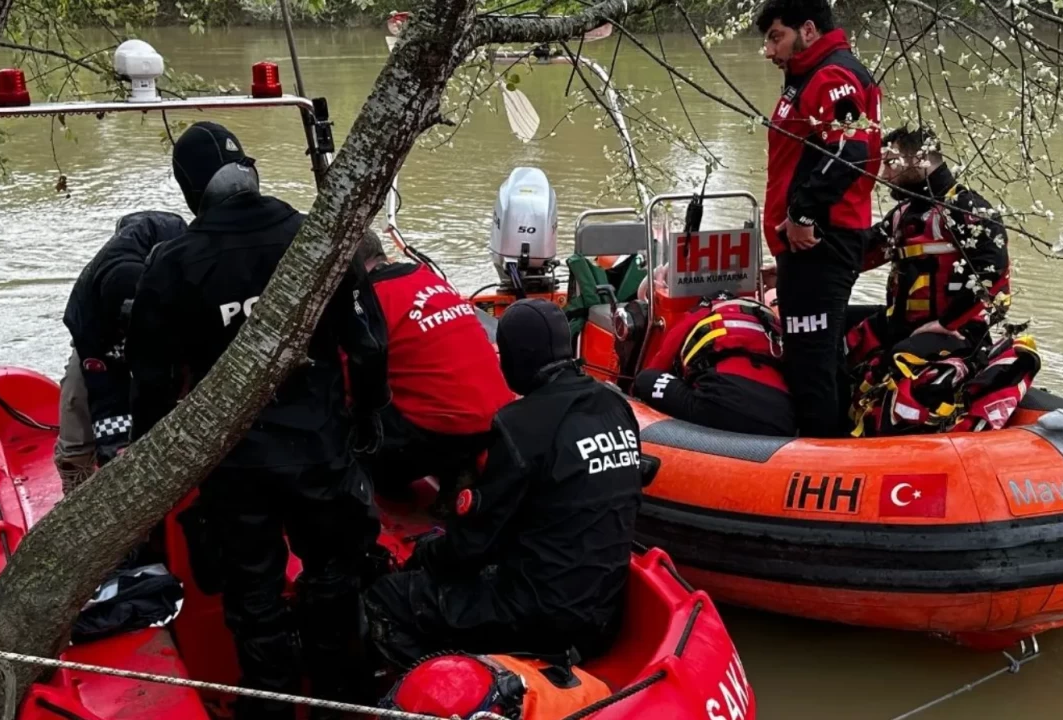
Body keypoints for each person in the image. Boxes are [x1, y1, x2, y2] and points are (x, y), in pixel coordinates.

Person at [126, 121, 387, 720]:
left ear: (191, 192)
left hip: (237, 469)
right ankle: (341, 700)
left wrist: (147, 466)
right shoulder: (314, 239)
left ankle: (269, 704)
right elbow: (368, 344)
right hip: (321, 451)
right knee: (334, 575)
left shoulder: (174, 263)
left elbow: (153, 382)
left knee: (254, 596)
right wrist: (370, 413)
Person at [363, 298, 646, 672]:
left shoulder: (520, 425)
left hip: (541, 617)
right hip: (603, 615)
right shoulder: (616, 408)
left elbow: (473, 544)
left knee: (386, 598)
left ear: (515, 357)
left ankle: (441, 685)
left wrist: (420, 560)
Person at [758, 0, 883, 437]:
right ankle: (841, 444)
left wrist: (801, 214)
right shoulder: (812, 76)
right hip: (808, 246)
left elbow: (849, 150)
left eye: (776, 37)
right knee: (822, 357)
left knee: (810, 364)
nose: (770, 51)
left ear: (807, 30)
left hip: (819, 242)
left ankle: (821, 464)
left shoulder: (830, 76)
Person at [351, 230, 515, 501]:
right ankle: (460, 466)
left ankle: (407, 473)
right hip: (498, 421)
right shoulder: (429, 278)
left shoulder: (369, 300)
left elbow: (351, 380)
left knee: (349, 419)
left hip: (440, 431)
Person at [845, 125, 1012, 369]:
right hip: (902, 322)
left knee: (896, 360)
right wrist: (793, 269)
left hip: (954, 331)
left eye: (891, 163)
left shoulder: (965, 208)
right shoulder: (904, 213)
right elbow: (858, 250)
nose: (883, 175)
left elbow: (994, 270)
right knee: (831, 325)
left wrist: (947, 323)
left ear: (921, 158)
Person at [55, 211, 188, 495]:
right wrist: (113, 450)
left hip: (163, 329)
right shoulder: (90, 304)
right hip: (99, 336)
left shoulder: (181, 273)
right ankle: (75, 474)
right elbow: (103, 386)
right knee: (76, 396)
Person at [632, 292, 795, 436]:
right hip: (781, 419)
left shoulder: (701, 313)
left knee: (645, 378)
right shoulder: (769, 320)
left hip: (719, 406)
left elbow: (658, 365)